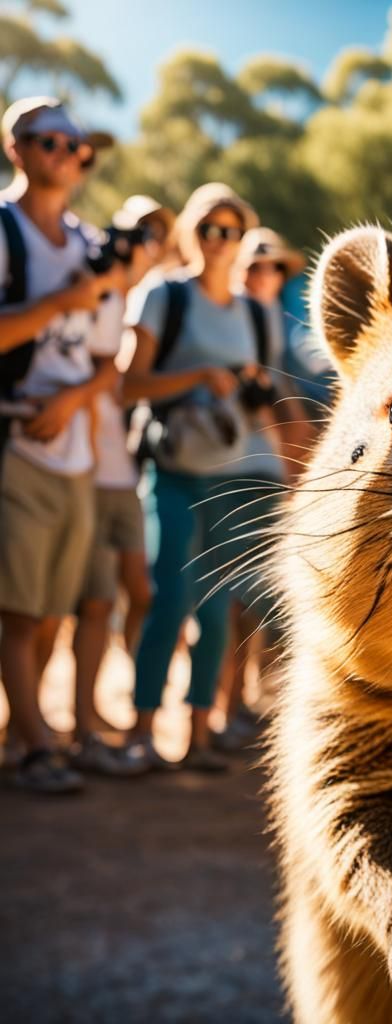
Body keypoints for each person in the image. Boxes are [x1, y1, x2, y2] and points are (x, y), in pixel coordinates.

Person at [0, 97, 120, 793]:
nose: (68, 155)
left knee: (50, 614)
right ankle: (38, 749)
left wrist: (72, 401)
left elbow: (108, 360)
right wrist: (54, 307)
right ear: (15, 148)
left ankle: (24, 735)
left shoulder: (89, 245)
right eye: (51, 141)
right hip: (15, 445)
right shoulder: (4, 230)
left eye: (78, 147)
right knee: (17, 613)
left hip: (75, 452)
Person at [125, 182, 264, 772]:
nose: (219, 240)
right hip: (174, 469)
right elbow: (128, 384)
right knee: (169, 601)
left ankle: (199, 735)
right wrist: (199, 377)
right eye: (209, 228)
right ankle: (141, 731)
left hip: (229, 474)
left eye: (231, 231)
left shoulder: (252, 312)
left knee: (215, 610)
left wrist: (253, 388)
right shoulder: (165, 295)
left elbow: (260, 399)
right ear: (191, 232)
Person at [68, 196, 177, 775]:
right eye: (139, 232)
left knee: (137, 592)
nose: (147, 244)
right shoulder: (96, 290)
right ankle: (76, 724)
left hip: (124, 474)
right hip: (80, 469)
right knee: (82, 602)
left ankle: (109, 709)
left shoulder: (149, 300)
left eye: (157, 234)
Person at [212, 227, 307, 752]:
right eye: (255, 266)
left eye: (274, 268)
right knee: (233, 596)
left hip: (266, 471)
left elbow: (282, 402)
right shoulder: (231, 317)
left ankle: (247, 700)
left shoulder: (274, 324)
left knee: (260, 594)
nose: (265, 276)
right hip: (226, 469)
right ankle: (223, 709)